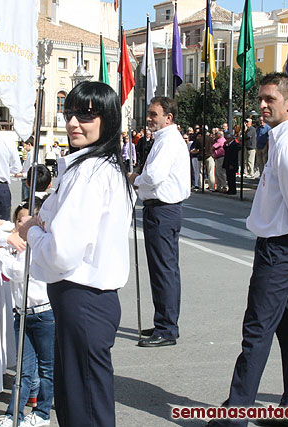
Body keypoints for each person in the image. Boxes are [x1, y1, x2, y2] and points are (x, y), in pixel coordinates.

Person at [209, 73, 288, 427]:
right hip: (284, 247)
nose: (263, 105)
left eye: (270, 99)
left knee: (257, 330)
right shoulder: (283, 140)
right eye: (261, 99)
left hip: (281, 250)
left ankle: (235, 415)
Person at [18, 81, 133, 427]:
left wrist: (32, 231)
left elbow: (62, 252)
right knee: (84, 403)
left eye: (86, 115)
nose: (73, 123)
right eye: (70, 113)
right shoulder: (103, 168)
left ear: (108, 119)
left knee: (83, 407)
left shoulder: (89, 172)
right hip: (87, 301)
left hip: (82, 298)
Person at [129, 96, 190, 347]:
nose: (149, 119)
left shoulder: (168, 141)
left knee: (163, 269)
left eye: (154, 114)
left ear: (168, 117)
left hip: (163, 210)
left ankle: (166, 328)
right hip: (163, 210)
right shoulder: (164, 140)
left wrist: (135, 178)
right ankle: (164, 320)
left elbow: (154, 175)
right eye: (149, 114)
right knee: (163, 269)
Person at [0, 198, 53, 427]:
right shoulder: (15, 241)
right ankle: (12, 415)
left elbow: (17, 272)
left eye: (28, 219)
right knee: (23, 370)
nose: (22, 223)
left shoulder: (37, 244)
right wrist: (2, 232)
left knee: (46, 368)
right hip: (22, 314)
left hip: (44, 314)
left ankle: (42, 413)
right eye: (19, 220)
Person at [223, 126, 239, 195]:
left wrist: (232, 164)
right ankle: (230, 189)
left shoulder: (234, 144)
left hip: (232, 163)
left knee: (232, 178)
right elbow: (226, 151)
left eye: (228, 138)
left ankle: (233, 190)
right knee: (229, 178)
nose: (227, 139)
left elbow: (233, 155)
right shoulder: (229, 144)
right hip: (228, 162)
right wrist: (225, 145)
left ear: (231, 138)